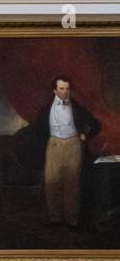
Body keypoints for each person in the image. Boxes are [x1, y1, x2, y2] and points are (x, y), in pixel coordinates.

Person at [28, 76, 100, 228]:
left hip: (73, 146)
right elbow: (38, 131)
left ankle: (72, 220)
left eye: (67, 88)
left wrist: (85, 135)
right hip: (53, 145)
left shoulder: (76, 107)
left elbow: (95, 125)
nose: (65, 92)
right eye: (61, 88)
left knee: (72, 184)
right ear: (55, 90)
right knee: (51, 182)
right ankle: (55, 218)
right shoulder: (46, 109)